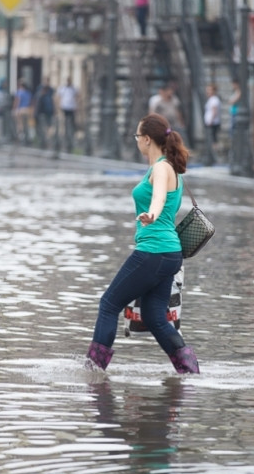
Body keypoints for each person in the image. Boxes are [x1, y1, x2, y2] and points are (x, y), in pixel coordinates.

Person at [84, 113, 200, 375]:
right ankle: (190, 372)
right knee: (154, 316)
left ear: (147, 139)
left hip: (153, 251)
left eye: (138, 136)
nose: (136, 140)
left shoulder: (161, 167)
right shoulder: (168, 167)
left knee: (109, 304)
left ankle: (92, 371)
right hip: (169, 253)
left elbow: (158, 197)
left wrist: (152, 214)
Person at [57, 77, 77, 152]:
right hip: (65, 107)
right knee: (65, 121)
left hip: (72, 107)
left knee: (71, 121)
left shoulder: (74, 88)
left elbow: (77, 96)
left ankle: (70, 135)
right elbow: (58, 96)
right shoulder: (63, 88)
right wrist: (59, 105)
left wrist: (77, 104)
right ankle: (66, 134)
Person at [203, 83, 221, 165]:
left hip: (212, 123)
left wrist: (211, 121)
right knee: (212, 140)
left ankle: (215, 156)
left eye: (209, 90)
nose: (208, 92)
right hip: (210, 122)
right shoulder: (211, 99)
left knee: (213, 140)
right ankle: (213, 156)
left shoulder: (214, 99)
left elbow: (214, 111)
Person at [33, 79, 55, 149]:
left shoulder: (48, 95)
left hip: (46, 113)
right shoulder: (41, 95)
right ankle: (43, 141)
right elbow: (37, 104)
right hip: (41, 113)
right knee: (42, 128)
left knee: (46, 127)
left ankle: (45, 141)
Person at [13, 80, 33, 145]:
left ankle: (22, 138)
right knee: (26, 125)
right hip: (27, 109)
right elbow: (30, 102)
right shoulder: (28, 93)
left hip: (20, 110)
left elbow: (17, 101)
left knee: (20, 125)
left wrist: (15, 109)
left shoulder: (19, 92)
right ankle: (27, 138)